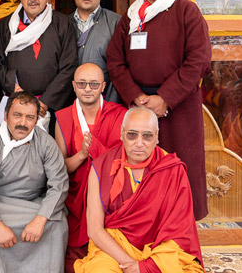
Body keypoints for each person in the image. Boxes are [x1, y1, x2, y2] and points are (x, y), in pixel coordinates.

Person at [106, 0, 211, 220]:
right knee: (138, 166)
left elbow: (198, 60)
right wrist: (137, 97)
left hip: (178, 106)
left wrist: (165, 98)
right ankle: (141, 224)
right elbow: (115, 60)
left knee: (180, 167)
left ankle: (180, 229)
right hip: (139, 106)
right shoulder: (131, 17)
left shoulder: (186, 11)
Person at [75, 106, 203, 273]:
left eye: (147, 136)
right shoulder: (101, 167)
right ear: (122, 134)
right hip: (114, 249)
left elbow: (180, 231)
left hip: (160, 250)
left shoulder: (172, 170)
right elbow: (95, 229)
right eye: (132, 135)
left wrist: (146, 267)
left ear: (157, 137)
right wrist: (131, 265)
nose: (139, 143)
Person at [0, 91, 69, 272]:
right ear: (6, 116)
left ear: (37, 120)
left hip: (33, 204)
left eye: (30, 117)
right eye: (17, 115)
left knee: (56, 224)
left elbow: (59, 184)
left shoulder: (46, 143)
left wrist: (41, 219)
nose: (23, 123)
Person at [55, 63, 128, 272]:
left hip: (110, 196)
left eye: (94, 84)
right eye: (82, 84)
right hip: (76, 199)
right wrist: (83, 155)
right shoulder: (63, 117)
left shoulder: (119, 115)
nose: (88, 89)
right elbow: (62, 168)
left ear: (103, 86)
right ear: (74, 86)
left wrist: (100, 152)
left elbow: (125, 161)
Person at [0, 0, 78, 133]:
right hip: (17, 103)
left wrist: (45, 102)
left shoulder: (62, 23)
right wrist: (15, 90)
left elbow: (69, 66)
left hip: (50, 105)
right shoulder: (7, 25)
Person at [71, 0, 122, 103]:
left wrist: (112, 102)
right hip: (70, 101)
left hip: (106, 100)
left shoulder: (116, 22)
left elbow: (121, 68)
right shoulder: (63, 24)